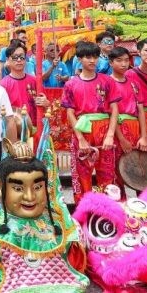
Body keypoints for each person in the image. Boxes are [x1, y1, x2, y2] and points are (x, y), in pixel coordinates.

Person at [0, 140, 89, 292]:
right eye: (18, 188)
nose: (30, 197)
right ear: (1, 186)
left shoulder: (66, 227)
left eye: (38, 187)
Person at [62, 42, 120, 203]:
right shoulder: (71, 84)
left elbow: (115, 109)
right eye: (88, 57)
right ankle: (84, 211)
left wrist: (110, 135)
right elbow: (70, 113)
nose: (92, 61)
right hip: (82, 129)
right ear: (79, 59)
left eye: (95, 57)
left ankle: (108, 210)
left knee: (107, 173)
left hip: (104, 129)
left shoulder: (107, 81)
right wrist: (80, 138)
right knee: (82, 176)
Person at [109, 47, 147, 157]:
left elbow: (141, 111)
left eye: (126, 60)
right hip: (116, 129)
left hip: (134, 128)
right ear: (111, 62)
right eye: (119, 60)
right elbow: (110, 113)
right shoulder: (107, 83)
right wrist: (121, 138)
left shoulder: (134, 83)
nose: (124, 64)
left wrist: (143, 136)